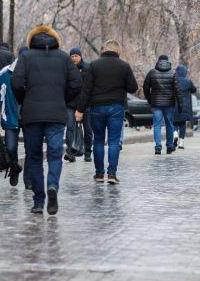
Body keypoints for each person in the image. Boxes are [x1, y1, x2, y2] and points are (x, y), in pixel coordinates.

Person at [11, 25, 82, 215]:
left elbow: (16, 82)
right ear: (55, 39)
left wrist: (24, 99)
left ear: (32, 40)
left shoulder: (26, 57)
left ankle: (38, 201)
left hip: (32, 114)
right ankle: (52, 185)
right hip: (56, 114)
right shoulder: (64, 57)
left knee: (33, 157)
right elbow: (77, 83)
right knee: (54, 154)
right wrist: (63, 98)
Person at [75, 40, 138, 184]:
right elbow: (133, 87)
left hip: (97, 107)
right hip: (116, 107)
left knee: (98, 140)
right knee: (114, 141)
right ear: (118, 51)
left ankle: (99, 174)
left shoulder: (94, 66)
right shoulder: (124, 66)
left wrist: (80, 110)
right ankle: (111, 174)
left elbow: (86, 90)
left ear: (104, 50)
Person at [0, 46, 30, 187]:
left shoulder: (34, 73)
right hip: (10, 116)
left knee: (30, 148)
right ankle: (14, 168)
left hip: (30, 117)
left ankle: (29, 178)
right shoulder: (5, 73)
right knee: (11, 147)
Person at [143, 54, 182, 155]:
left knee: (157, 125)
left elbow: (145, 87)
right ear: (168, 61)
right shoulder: (173, 73)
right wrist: (180, 104)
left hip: (156, 103)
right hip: (169, 103)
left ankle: (158, 147)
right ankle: (169, 146)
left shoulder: (152, 72)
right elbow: (178, 90)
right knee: (169, 124)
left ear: (158, 61)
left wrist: (149, 100)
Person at [65, 47, 93, 163]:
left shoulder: (87, 68)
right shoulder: (67, 69)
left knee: (88, 129)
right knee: (70, 127)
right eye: (72, 56)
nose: (74, 58)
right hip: (71, 104)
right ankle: (71, 152)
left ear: (80, 56)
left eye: (76, 56)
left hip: (86, 105)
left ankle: (87, 152)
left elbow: (89, 88)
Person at [173, 65, 197, 149]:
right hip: (185, 106)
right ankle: (181, 143)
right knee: (182, 124)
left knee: (174, 122)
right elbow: (194, 90)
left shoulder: (173, 80)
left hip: (175, 105)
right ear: (185, 72)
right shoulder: (188, 81)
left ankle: (175, 134)